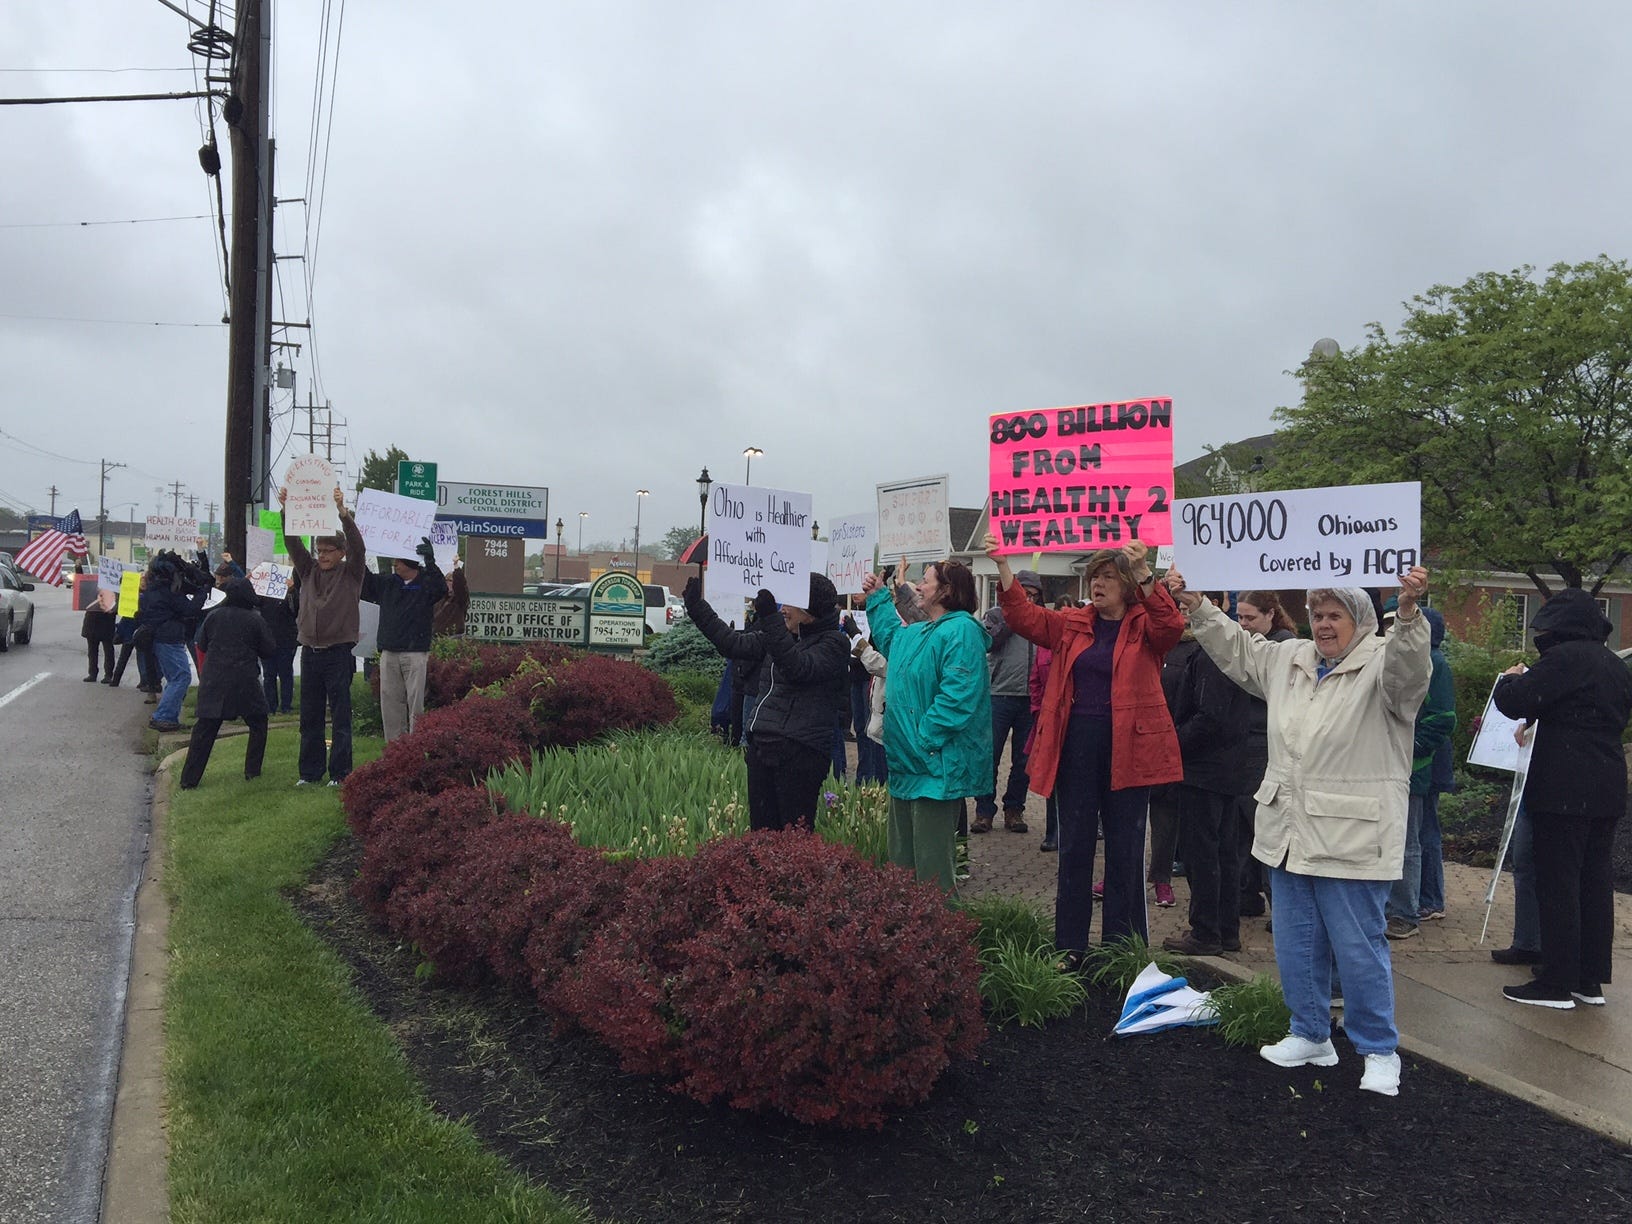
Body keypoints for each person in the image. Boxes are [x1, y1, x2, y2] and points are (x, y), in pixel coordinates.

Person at [1166, 566, 1431, 1097]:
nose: (1324, 624)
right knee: (1296, 943)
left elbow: (1409, 674)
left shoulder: (1384, 664)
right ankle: (1310, 1034)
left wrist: (1407, 614)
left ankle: (1378, 1050)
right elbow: (1238, 650)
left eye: (1335, 615)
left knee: (1358, 950)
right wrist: (1197, 605)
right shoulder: (1292, 658)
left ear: (1360, 620)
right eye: (1316, 614)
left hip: (1351, 838)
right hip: (1288, 832)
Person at [985, 534, 1183, 964]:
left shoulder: (1144, 624)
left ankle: (1118, 950)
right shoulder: (1074, 622)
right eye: (1095, 576)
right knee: (1074, 848)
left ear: (1128, 585)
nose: (1098, 583)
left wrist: (1147, 573)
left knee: (1125, 850)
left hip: (1129, 751)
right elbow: (1024, 617)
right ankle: (1069, 948)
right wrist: (1003, 566)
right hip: (1078, 747)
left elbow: (1171, 627)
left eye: (1109, 576)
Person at [1491, 589, 1632, 1009]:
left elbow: (1516, 701)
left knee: (1559, 882)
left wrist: (1511, 678)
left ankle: (1556, 981)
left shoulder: (1565, 658)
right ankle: (1588, 979)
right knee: (1594, 882)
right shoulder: (1614, 664)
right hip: (1606, 783)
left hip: (1564, 786)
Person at [860, 558, 991, 892]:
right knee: (903, 868)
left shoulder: (961, 631)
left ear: (947, 591)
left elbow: (957, 698)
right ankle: (908, 938)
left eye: (926, 581)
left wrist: (923, 739)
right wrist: (877, 597)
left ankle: (941, 938)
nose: (917, 585)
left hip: (932, 767)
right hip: (907, 766)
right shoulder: (922, 631)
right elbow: (892, 638)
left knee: (932, 874)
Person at [685, 573, 850, 830]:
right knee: (761, 835)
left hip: (800, 753)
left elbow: (798, 667)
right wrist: (698, 607)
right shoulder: (781, 635)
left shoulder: (835, 643)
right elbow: (733, 644)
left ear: (810, 609)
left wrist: (771, 619)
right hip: (764, 746)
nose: (783, 609)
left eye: (790, 604)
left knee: (792, 836)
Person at [282, 485, 367, 786]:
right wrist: (286, 511)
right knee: (310, 717)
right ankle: (309, 773)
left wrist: (343, 513)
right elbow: (293, 544)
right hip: (310, 652)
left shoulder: (352, 572)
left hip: (339, 653)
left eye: (328, 551)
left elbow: (359, 546)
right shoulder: (308, 572)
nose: (322, 556)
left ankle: (341, 773)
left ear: (341, 553)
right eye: (319, 551)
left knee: (340, 717)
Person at [1383, 607, 1457, 941]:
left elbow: (1442, 718)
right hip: (1391, 766)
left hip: (1414, 768)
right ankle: (1409, 904)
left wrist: (1408, 748)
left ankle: (1406, 911)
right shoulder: (1390, 660)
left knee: (1411, 841)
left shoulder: (1434, 663)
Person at [1232, 590, 1299, 920]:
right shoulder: (1250, 646)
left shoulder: (1281, 648)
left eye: (1250, 618)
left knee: (1265, 829)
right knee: (1245, 831)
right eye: (1239, 617)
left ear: (1271, 614)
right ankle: (1248, 896)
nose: (1243, 624)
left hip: (1263, 746)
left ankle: (1280, 910)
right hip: (1247, 744)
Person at [177, 578, 276, 789]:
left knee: (205, 729)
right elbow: (269, 650)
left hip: (214, 680)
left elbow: (201, 643)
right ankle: (252, 771)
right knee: (258, 723)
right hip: (244, 680)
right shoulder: (254, 619)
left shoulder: (214, 616)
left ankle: (189, 780)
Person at [974, 569, 1044, 835]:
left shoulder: (1040, 618)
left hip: (1030, 699)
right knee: (989, 756)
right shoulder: (995, 614)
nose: (1031, 599)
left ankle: (1014, 809)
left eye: (1035, 595)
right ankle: (983, 811)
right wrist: (1011, 617)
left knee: (1024, 761)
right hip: (998, 695)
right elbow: (989, 643)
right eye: (1026, 593)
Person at [361, 537, 447, 742]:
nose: (395, 563)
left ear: (410, 561)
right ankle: (395, 748)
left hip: (415, 652)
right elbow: (364, 581)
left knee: (415, 702)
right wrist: (358, 549)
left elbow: (441, 588)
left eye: (399, 559)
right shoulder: (388, 583)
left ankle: (416, 743)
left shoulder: (426, 583)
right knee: (390, 703)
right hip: (389, 652)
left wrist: (431, 561)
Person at [139, 551, 213, 733]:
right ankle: (163, 717)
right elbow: (189, 610)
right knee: (181, 677)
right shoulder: (167, 592)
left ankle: (168, 716)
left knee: (175, 678)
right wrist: (202, 592)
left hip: (161, 638)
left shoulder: (155, 589)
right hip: (168, 639)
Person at [258, 573, 299, 715]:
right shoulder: (263, 597)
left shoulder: (289, 596)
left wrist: (292, 591)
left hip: (286, 640)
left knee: (285, 673)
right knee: (269, 675)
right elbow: (251, 598)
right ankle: (271, 706)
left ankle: (286, 706)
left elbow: (296, 610)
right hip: (267, 640)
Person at [81, 588, 116, 682]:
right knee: (92, 650)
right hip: (92, 620)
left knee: (108, 649)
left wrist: (113, 609)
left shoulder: (112, 586)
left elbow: (117, 601)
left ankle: (108, 675)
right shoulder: (92, 585)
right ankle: (92, 673)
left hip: (107, 620)